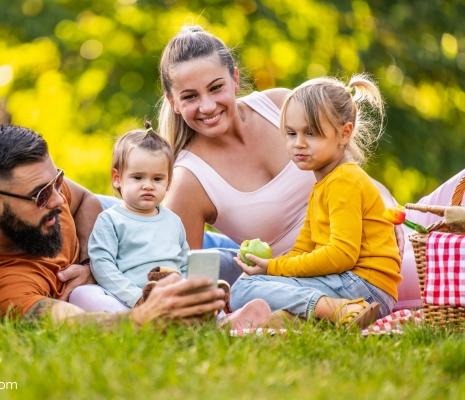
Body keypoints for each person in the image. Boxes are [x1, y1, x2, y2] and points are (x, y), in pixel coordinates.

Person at [157, 25, 410, 302]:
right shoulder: (187, 181)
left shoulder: (280, 105)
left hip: (385, 243)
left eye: (216, 88)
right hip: (312, 280)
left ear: (235, 80)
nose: (207, 106)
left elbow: (353, 174)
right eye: (190, 97)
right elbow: (187, 280)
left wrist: (386, 206)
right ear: (174, 102)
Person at [0, 124, 226, 326]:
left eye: (57, 181)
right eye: (41, 194)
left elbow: (85, 199)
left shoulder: (19, 186)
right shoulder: (2, 287)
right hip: (129, 261)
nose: (57, 199)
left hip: (128, 222)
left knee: (239, 254)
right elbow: (75, 322)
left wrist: (90, 263)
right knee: (235, 267)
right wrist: (144, 316)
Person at [230, 75, 401, 328]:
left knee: (243, 289)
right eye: (290, 133)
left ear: (344, 134)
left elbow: (342, 255)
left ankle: (336, 309)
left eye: (311, 133)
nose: (298, 143)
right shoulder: (323, 185)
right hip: (350, 284)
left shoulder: (345, 181)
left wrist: (274, 268)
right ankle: (301, 319)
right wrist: (269, 268)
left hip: (364, 286)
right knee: (248, 285)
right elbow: (303, 250)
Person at [69, 122, 189, 312]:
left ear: (168, 181)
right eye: (138, 177)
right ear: (117, 178)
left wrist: (184, 292)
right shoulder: (110, 220)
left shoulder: (174, 221)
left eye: (157, 179)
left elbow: (185, 264)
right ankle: (134, 318)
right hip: (126, 300)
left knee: (209, 291)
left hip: (170, 299)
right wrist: (136, 297)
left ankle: (222, 319)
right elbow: (102, 264)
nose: (148, 185)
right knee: (81, 294)